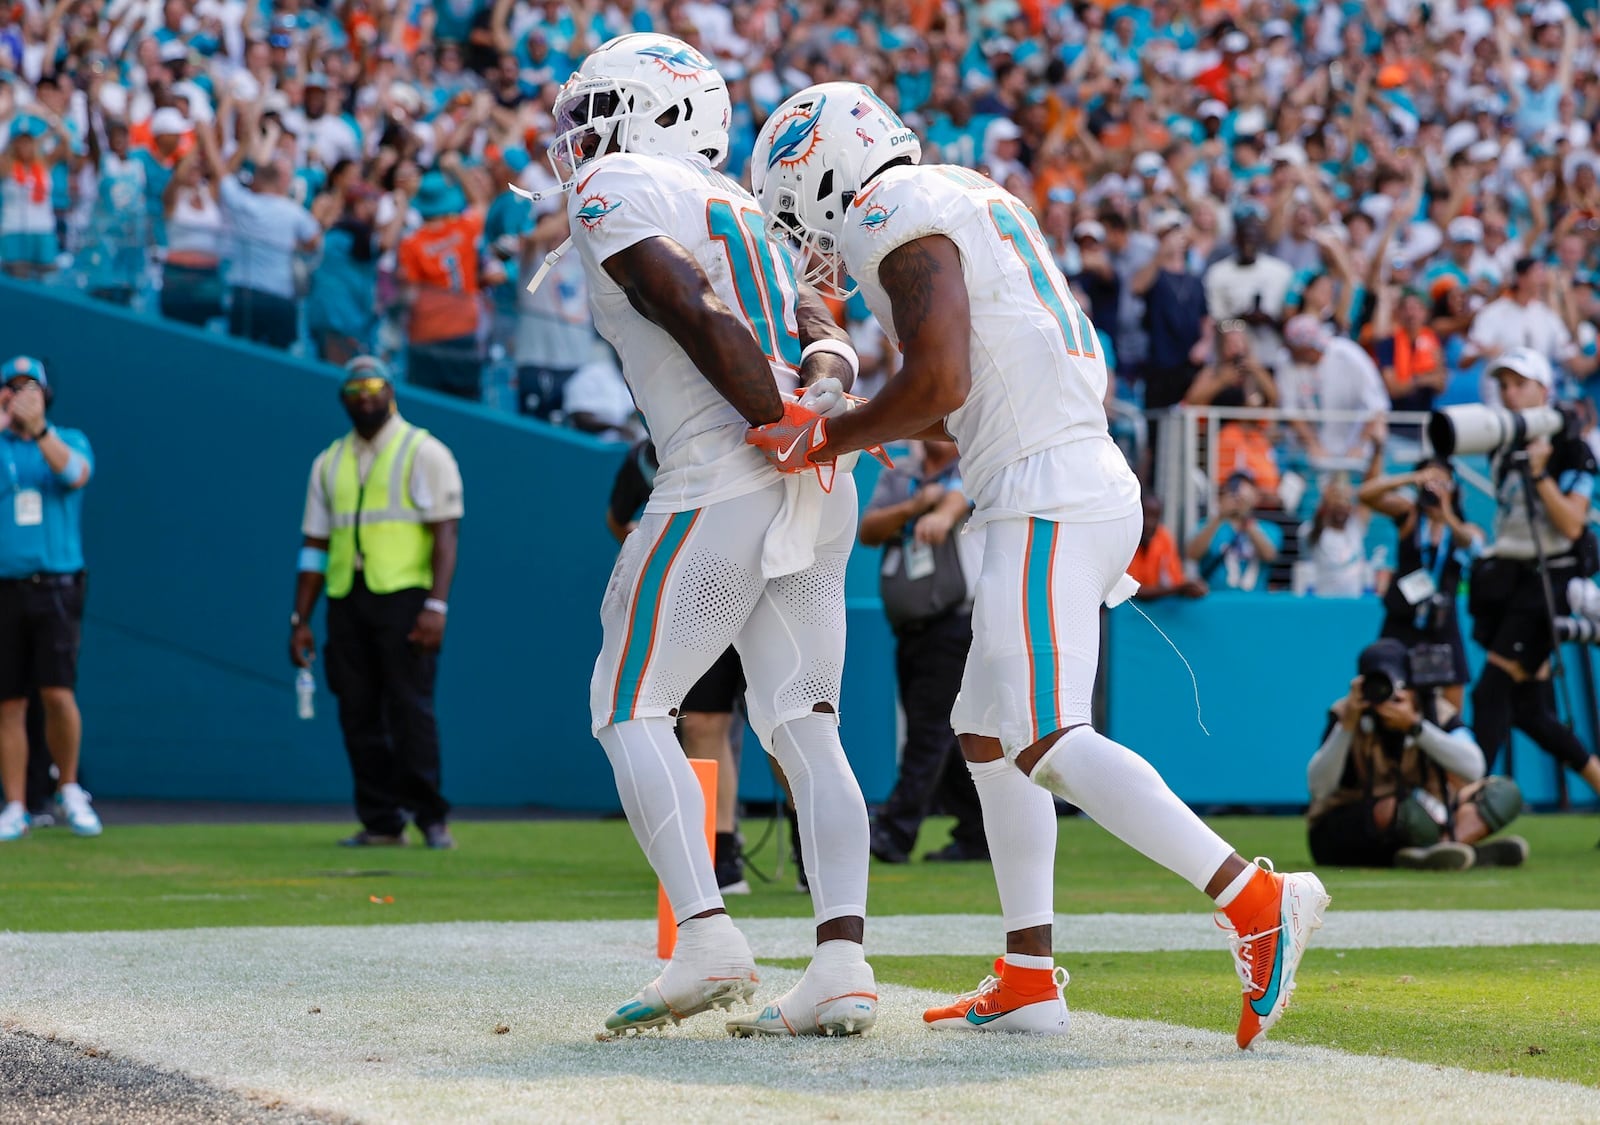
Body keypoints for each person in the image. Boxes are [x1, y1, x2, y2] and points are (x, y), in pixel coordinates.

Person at [751, 82, 1328, 1049]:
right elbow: (962, 393)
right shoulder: (968, 193)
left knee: (1044, 734)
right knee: (986, 731)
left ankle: (1253, 894)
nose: (806, 233)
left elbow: (940, 379)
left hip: (1045, 487)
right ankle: (1027, 970)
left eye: (796, 204)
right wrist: (870, 431)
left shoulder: (897, 209)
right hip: (1061, 469)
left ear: (826, 174)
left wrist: (827, 434)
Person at [551, 35, 877, 1040]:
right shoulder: (744, 206)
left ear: (659, 107)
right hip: (824, 477)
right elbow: (826, 326)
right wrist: (816, 399)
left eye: (601, 107)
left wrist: (773, 427)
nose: (581, 134)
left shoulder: (617, 183)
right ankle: (841, 963)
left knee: (627, 698)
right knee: (802, 725)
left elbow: (685, 305)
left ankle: (706, 935)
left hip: (730, 464)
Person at [289, 357, 464, 850]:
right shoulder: (329, 461)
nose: (362, 395)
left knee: (411, 710)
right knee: (357, 711)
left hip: (405, 597)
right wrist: (300, 618)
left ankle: (431, 816)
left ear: (391, 391)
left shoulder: (423, 451)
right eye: (352, 388)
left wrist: (437, 606)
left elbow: (445, 534)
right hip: (347, 598)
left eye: (372, 385)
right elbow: (314, 544)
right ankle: (382, 820)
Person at [605, 437, 751, 895]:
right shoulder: (646, 456)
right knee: (703, 723)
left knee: (788, 728)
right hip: (698, 593)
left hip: (772, 581)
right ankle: (720, 849)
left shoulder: (750, 431)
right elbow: (618, 518)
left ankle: (809, 843)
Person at [1465, 347, 1600, 801]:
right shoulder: (1504, 442)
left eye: (1519, 384)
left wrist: (1541, 474)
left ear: (1543, 390)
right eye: (1503, 385)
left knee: (1490, 693)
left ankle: (1467, 807)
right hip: (1510, 579)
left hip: (1548, 581)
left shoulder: (1572, 449)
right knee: (1528, 710)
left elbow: (1572, 525)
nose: (1509, 393)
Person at [860, 438, 989, 865]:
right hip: (912, 625)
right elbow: (869, 530)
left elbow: (956, 498)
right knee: (944, 733)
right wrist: (916, 507)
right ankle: (977, 832)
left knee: (928, 731)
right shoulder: (900, 473)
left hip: (955, 622)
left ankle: (896, 833)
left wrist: (940, 512)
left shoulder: (972, 464)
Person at [1308, 640, 1528, 870]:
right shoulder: (1347, 713)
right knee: (1400, 812)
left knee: (1502, 792)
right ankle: (1453, 850)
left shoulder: (1433, 709)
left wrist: (1417, 727)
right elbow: (1318, 788)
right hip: (1356, 825)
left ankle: (1442, 849)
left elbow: (1474, 768)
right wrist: (1347, 728)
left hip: (1428, 808)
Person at [0, 358, 97, 842]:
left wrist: (38, 431)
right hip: (5, 588)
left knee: (58, 693)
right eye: (10, 389)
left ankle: (71, 788)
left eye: (29, 389)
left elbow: (75, 475)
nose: (19, 397)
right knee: (9, 702)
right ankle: (15, 804)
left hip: (57, 586)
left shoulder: (67, 438)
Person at [1358, 455, 1483, 711]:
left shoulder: (1462, 526)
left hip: (1441, 623)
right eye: (1429, 482)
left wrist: (1445, 510)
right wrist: (1411, 477)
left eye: (1441, 481)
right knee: (1390, 690)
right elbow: (1366, 495)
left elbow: (1472, 546)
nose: (1434, 488)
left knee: (1452, 700)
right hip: (1404, 618)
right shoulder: (1410, 515)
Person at [1184, 471, 1282, 593]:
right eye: (1233, 492)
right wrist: (1219, 516)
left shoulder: (1269, 529)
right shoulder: (1206, 525)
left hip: (1255, 603)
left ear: (1256, 497)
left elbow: (1269, 555)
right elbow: (1192, 554)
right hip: (1215, 602)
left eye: (1245, 493)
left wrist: (1246, 519)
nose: (1238, 498)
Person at [1129, 495, 1206, 601]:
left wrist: (1191, 588)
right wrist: (1178, 589)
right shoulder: (1126, 539)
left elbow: (1175, 581)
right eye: (1146, 516)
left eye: (1155, 517)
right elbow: (1134, 590)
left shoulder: (1163, 537)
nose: (1150, 523)